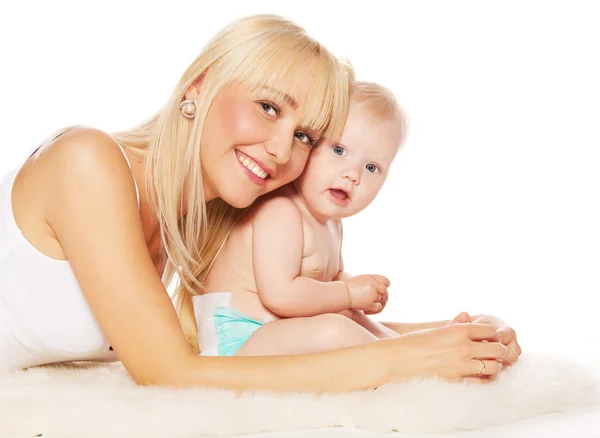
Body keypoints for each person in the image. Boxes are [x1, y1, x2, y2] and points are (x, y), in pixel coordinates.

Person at [0, 14, 519, 392]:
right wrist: (409, 358)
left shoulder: (207, 218)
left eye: (305, 136)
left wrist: (462, 337)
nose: (279, 149)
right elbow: (169, 373)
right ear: (200, 86)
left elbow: (293, 333)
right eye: (268, 107)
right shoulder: (86, 161)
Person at [194, 81, 406, 357]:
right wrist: (349, 293)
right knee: (335, 330)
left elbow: (332, 289)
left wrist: (355, 289)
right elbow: (281, 296)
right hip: (237, 342)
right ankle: (402, 354)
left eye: (371, 167)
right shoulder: (280, 211)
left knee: (346, 321)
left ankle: (406, 344)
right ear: (308, 144)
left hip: (281, 337)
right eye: (339, 151)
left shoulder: (331, 224)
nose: (353, 175)